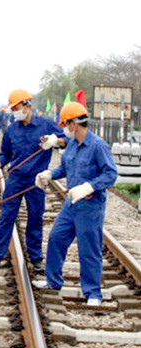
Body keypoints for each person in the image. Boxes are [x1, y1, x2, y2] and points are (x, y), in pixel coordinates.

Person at [33, 102, 117, 306]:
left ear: (75, 124)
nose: (63, 128)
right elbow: (64, 168)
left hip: (90, 205)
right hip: (71, 205)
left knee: (89, 249)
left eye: (65, 124)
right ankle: (53, 281)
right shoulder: (71, 145)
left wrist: (90, 186)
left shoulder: (97, 146)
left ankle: (93, 293)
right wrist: (49, 174)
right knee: (56, 238)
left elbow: (111, 174)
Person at [0, 89, 67, 272]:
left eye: (17, 107)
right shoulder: (12, 129)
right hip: (15, 179)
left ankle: (36, 257)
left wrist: (55, 140)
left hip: (36, 180)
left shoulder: (46, 125)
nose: (15, 112)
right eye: (13, 108)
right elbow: (5, 153)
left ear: (27, 105)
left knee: (35, 218)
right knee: (6, 216)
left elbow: (67, 139)